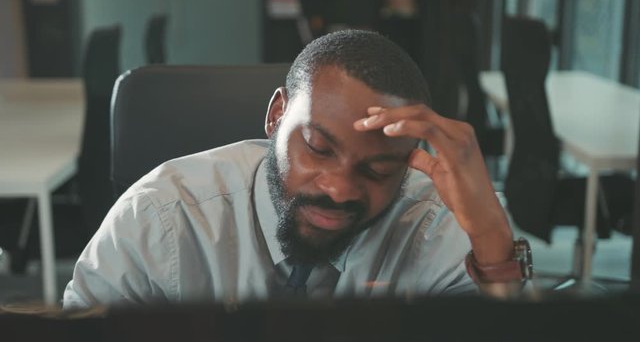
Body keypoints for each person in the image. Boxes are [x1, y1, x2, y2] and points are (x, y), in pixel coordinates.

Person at [63, 30, 528, 309]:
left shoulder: (438, 224)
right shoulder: (162, 217)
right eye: (318, 149)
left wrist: (489, 233)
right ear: (276, 115)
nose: (340, 188)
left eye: (379, 168)